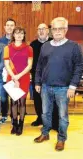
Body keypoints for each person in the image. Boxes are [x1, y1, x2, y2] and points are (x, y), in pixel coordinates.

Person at [34, 17, 83, 151]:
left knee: (62, 116)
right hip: (45, 87)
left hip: (63, 88)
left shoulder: (74, 46)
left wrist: (73, 86)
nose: (57, 31)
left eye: (60, 28)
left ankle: (61, 139)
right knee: (45, 113)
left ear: (66, 30)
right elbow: (39, 66)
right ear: (51, 31)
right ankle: (45, 133)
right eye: (54, 29)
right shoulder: (45, 46)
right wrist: (38, 81)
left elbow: (79, 67)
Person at [4, 27, 33, 136]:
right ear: (13, 35)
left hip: (24, 77)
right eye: (17, 33)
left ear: (24, 35)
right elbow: (7, 64)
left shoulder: (29, 48)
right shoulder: (7, 48)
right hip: (11, 77)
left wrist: (19, 76)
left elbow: (29, 65)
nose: (19, 35)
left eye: (21, 33)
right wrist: (13, 77)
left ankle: (21, 124)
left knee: (22, 102)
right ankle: (14, 124)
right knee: (13, 102)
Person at [0, 18, 16, 124]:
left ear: (15, 27)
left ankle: (14, 116)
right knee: (3, 98)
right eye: (8, 25)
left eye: (12, 25)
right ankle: (4, 115)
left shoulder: (18, 40)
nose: (9, 27)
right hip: (3, 73)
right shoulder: (0, 41)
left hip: (15, 74)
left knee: (14, 97)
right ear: (4, 28)